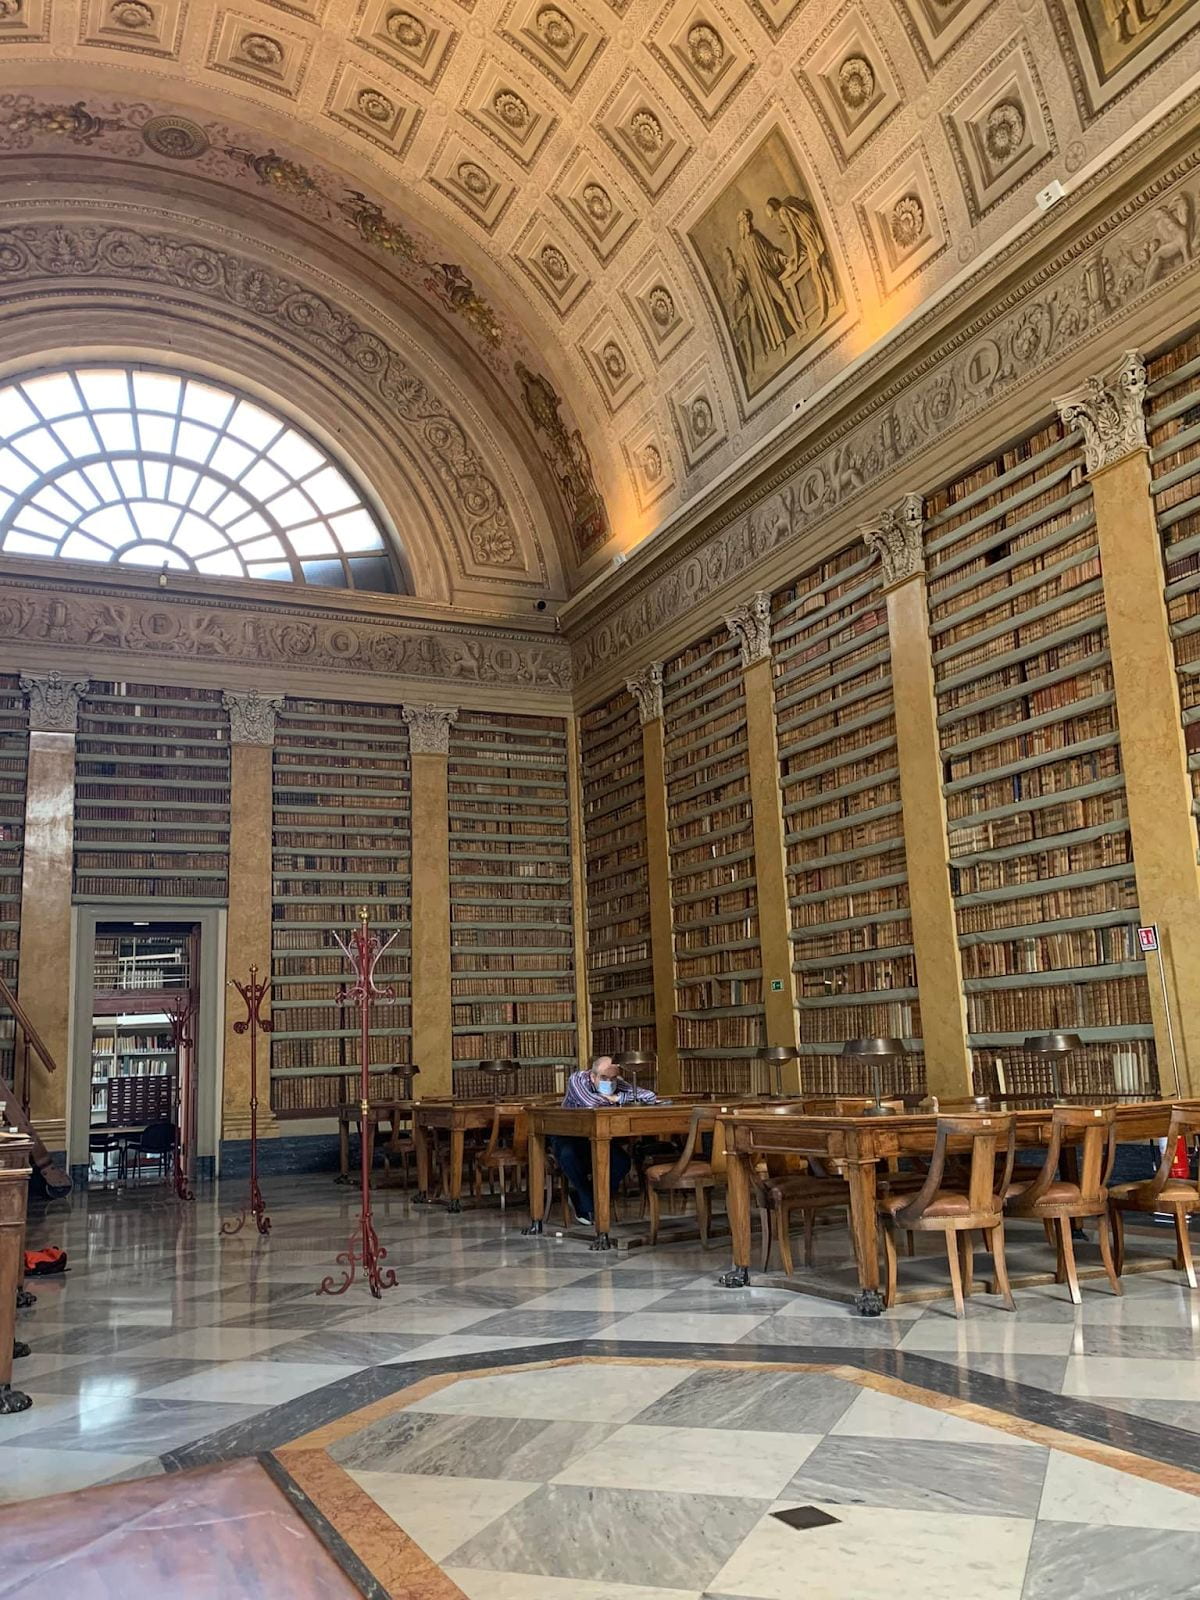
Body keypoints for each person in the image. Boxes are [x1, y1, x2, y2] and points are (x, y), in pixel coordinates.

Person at [551, 1054, 657, 1226]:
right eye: (604, 1078)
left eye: (614, 1077)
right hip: (568, 1136)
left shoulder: (617, 1083)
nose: (610, 1082)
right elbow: (590, 1103)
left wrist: (618, 1098)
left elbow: (650, 1097)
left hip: (598, 1137)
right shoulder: (577, 1079)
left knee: (622, 1162)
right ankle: (592, 1205)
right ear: (593, 1076)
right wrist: (618, 1100)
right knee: (568, 1156)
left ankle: (584, 1200)